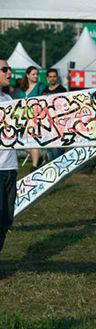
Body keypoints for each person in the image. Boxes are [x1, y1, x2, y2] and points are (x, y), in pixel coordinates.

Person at [13, 66, 46, 170]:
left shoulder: (41, 86)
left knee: (33, 141)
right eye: (33, 74)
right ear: (27, 75)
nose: (36, 76)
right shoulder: (20, 90)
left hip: (36, 118)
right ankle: (38, 157)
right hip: (22, 118)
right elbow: (16, 103)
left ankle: (34, 166)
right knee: (20, 142)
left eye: (37, 74)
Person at [0, 58, 17, 252]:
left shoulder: (9, 100)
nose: (9, 73)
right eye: (4, 69)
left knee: (6, 219)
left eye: (9, 69)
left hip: (10, 168)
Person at [42, 68, 67, 161]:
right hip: (47, 124)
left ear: (57, 77)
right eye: (50, 77)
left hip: (59, 124)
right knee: (50, 151)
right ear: (47, 78)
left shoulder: (62, 89)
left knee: (57, 151)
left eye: (54, 76)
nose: (52, 79)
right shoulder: (44, 90)